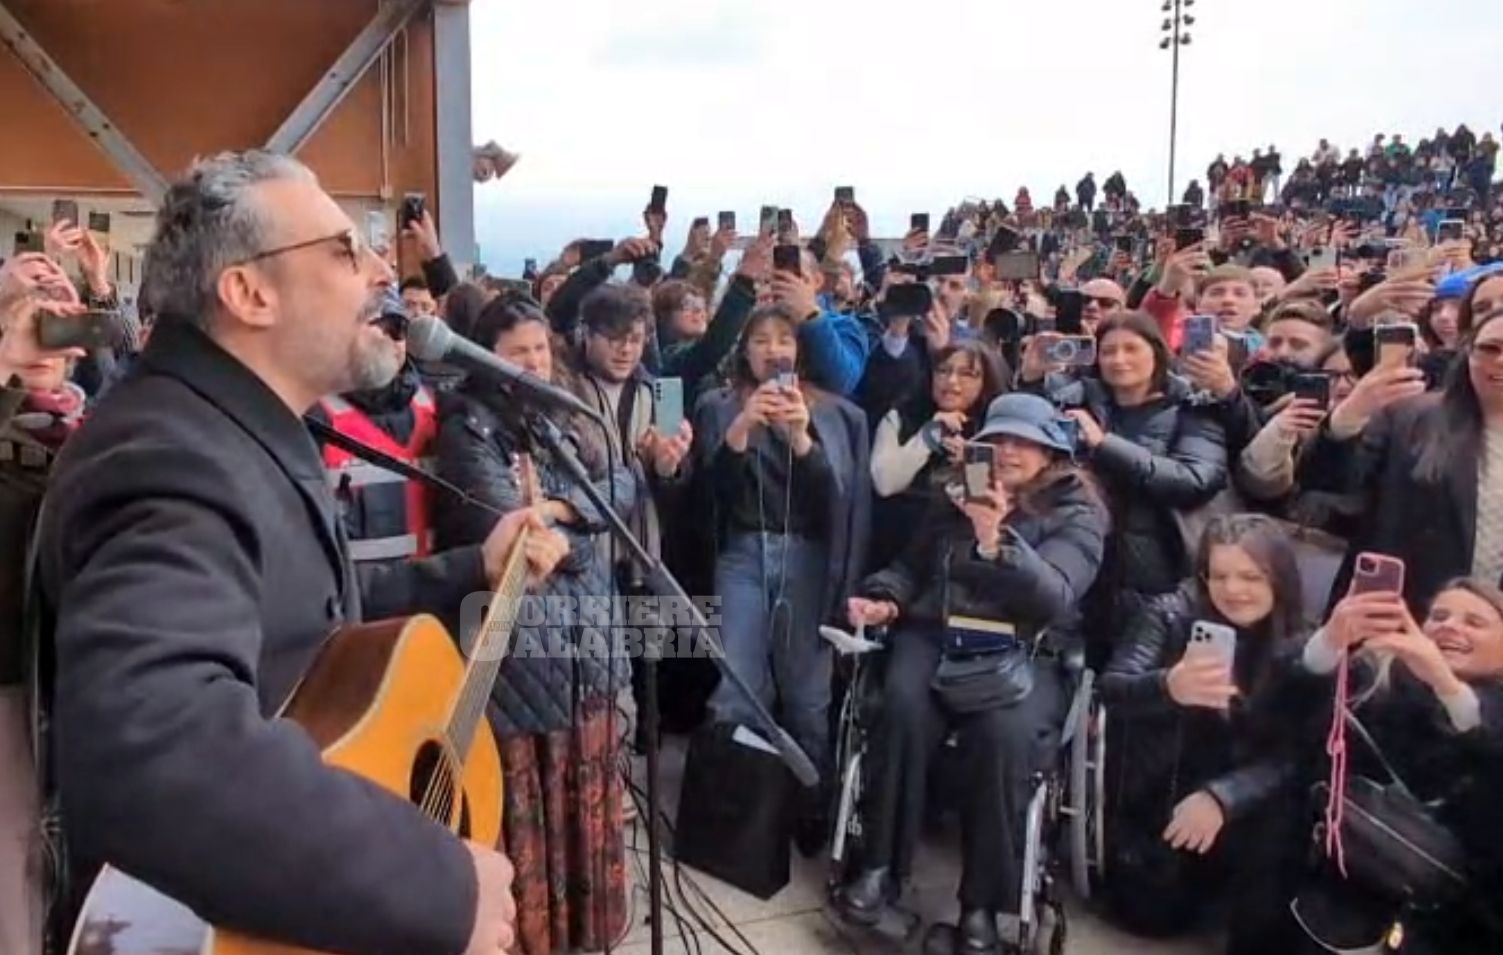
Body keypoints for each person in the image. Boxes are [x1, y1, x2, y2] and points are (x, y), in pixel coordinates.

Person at [34, 151, 568, 955]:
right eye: (346, 249)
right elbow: (157, 754)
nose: (383, 270)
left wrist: (469, 567)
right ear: (249, 292)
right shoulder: (169, 457)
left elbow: (291, 607)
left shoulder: (224, 428)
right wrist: (434, 882)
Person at [835, 393, 1107, 953]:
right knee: (902, 707)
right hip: (938, 633)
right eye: (997, 439)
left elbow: (1056, 595)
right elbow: (911, 568)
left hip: (1024, 650)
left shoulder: (1077, 509)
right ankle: (878, 869)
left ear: (1050, 450)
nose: (1006, 451)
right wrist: (883, 600)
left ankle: (982, 907)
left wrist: (997, 542)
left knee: (1001, 737)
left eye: (1022, 441)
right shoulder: (956, 491)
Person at [433, 292, 635, 955]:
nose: (535, 363)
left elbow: (624, 488)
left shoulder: (559, 417)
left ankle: (587, 938)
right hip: (523, 656)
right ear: (487, 357)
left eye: (542, 349)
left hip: (589, 641)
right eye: (519, 352)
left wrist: (560, 509)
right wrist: (576, 520)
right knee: (531, 808)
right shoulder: (466, 424)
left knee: (590, 795)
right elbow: (508, 530)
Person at [689, 303, 871, 849]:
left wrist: (801, 440)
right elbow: (708, 499)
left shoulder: (840, 414)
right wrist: (741, 430)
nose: (773, 349)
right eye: (760, 339)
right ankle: (734, 807)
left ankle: (811, 802)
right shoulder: (717, 406)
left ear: (801, 349)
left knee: (807, 690)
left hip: (809, 557)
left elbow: (841, 504)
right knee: (737, 681)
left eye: (784, 338)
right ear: (744, 351)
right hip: (742, 554)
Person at [1100, 515, 1320, 951]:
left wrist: (1224, 798)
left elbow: (1295, 752)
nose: (1233, 590)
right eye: (1219, 575)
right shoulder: (1168, 614)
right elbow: (1113, 688)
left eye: (1250, 577)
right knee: (1150, 915)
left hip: (1249, 805)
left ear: (1278, 578)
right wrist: (1167, 686)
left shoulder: (1302, 642)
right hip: (1163, 790)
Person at [1294, 579, 1503, 954]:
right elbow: (1280, 728)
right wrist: (1327, 643)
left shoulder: (1489, 716)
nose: (1451, 626)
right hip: (1337, 903)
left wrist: (1446, 684)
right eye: (1438, 616)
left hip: (1454, 923)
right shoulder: (1375, 681)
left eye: (1475, 621)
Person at [1044, 312, 1228, 659]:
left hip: (1156, 569)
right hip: (1084, 564)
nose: (1119, 359)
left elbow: (1195, 480)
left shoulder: (1192, 406)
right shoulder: (1073, 401)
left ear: (1156, 352)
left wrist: (1104, 444)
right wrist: (1030, 378)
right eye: (1109, 351)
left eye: (1131, 348)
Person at [0, 256, 90, 955]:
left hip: (81, 704)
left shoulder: (96, 433)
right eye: (24, 310)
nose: (42, 329)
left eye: (56, 311)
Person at [1304, 305, 1501, 611]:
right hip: (1401, 618)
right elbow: (1329, 497)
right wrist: (1347, 417)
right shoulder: (1407, 418)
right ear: (1468, 353)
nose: (1500, 360)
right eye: (1490, 348)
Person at [307, 290, 440, 571]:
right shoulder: (314, 417)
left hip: (435, 602)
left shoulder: (437, 408)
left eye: (398, 329)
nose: (389, 338)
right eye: (378, 327)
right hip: (359, 605)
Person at [868, 340, 1008, 570]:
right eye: (943, 371)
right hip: (893, 547)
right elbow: (885, 483)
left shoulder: (995, 431)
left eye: (967, 374)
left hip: (958, 556)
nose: (951, 381)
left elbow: (986, 503)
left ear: (986, 382)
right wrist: (928, 436)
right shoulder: (901, 417)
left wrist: (972, 462)